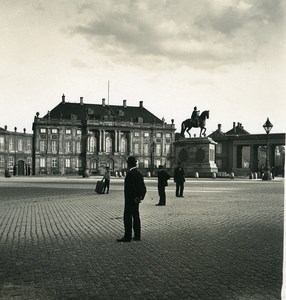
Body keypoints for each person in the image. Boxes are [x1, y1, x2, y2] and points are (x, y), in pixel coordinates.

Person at [117, 156, 146, 242]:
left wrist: (133, 197)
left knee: (127, 217)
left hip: (130, 200)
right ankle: (137, 236)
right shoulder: (139, 174)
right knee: (136, 217)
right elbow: (143, 188)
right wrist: (140, 197)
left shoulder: (130, 174)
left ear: (128, 164)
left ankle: (127, 236)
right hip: (136, 200)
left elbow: (131, 188)